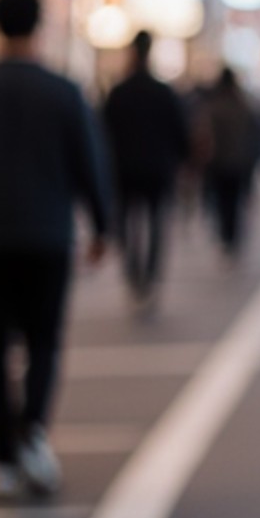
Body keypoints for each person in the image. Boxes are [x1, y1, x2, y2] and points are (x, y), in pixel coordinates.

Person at [0, 0, 111, 498]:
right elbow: (89, 162)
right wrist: (102, 226)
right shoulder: (63, 91)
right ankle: (33, 433)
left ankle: (1, 454)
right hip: (48, 233)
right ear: (39, 27)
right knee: (44, 341)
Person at [101, 28, 190, 311]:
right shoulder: (162, 92)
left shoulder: (119, 92)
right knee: (155, 222)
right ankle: (149, 277)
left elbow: (103, 134)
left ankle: (133, 272)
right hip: (157, 168)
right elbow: (180, 132)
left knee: (126, 222)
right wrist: (182, 163)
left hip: (124, 168)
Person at [196, 66, 260, 258]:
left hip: (218, 162)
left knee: (221, 202)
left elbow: (203, 133)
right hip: (238, 161)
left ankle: (225, 237)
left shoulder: (213, 106)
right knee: (235, 202)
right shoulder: (243, 106)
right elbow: (253, 136)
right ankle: (233, 238)